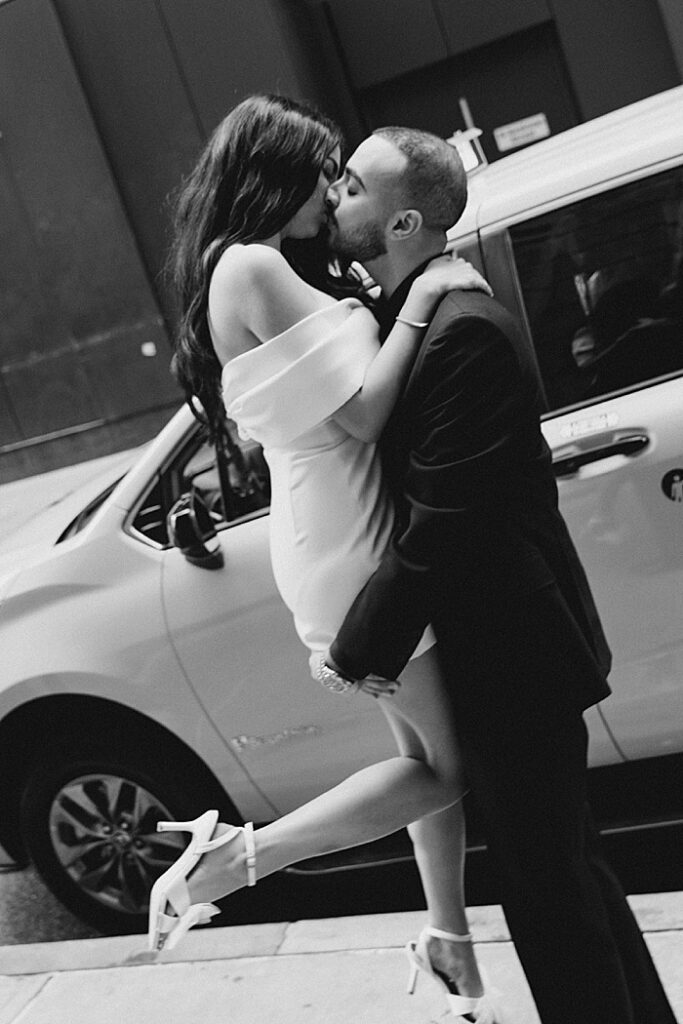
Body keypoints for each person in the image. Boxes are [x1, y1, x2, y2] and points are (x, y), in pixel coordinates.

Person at [147, 93, 502, 1023]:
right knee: (445, 767)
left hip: (340, 520)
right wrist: (422, 298)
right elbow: (358, 415)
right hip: (343, 538)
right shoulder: (252, 266)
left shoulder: (256, 266)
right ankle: (235, 860)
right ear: (273, 174)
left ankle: (449, 943)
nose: (329, 189)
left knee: (418, 755)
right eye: (322, 171)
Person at [321, 126, 677, 1024]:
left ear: (403, 219)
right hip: (506, 648)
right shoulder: (423, 316)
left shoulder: (461, 334)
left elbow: (446, 522)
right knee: (571, 875)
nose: (333, 194)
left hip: (512, 656)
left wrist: (362, 643)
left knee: (548, 896)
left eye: (351, 185)